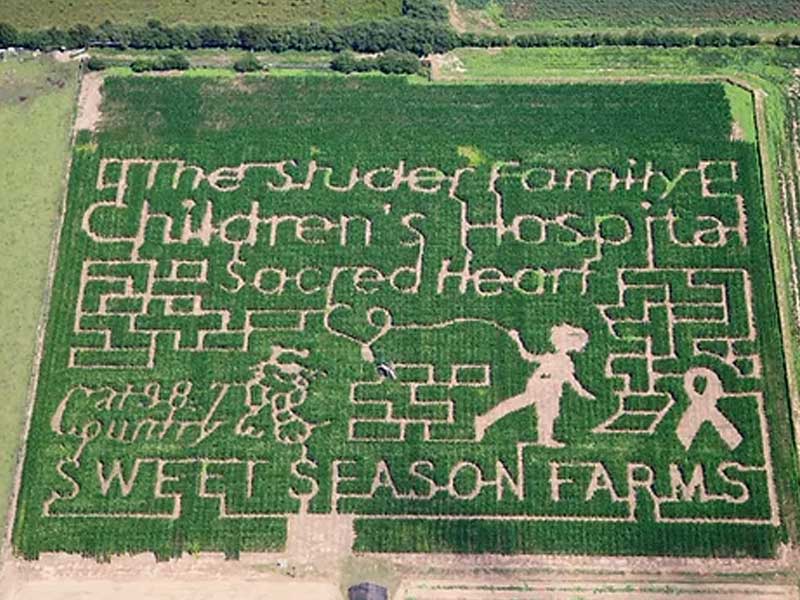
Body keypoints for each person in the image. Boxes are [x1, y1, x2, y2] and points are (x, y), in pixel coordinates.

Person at [475, 324, 594, 447]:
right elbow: (528, 356)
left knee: (546, 413)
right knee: (526, 407)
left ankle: (545, 439)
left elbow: (571, 380)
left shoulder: (564, 360)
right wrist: (517, 340)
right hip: (542, 386)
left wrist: (582, 392)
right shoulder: (556, 358)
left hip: (550, 388)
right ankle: (484, 421)